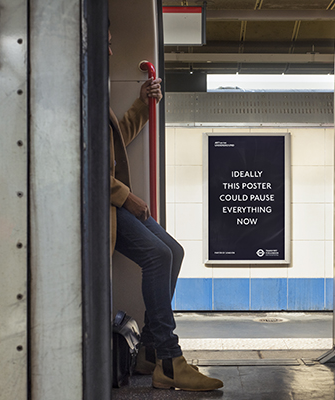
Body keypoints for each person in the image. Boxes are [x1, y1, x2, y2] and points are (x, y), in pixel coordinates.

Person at [108, 32, 223, 392]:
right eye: (106, 40)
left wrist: (142, 106)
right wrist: (125, 196)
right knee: (158, 255)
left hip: (110, 200)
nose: (111, 48)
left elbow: (111, 143)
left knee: (173, 251)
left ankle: (148, 352)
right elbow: (75, 158)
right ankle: (170, 361)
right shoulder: (73, 89)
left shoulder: (92, 89)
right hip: (104, 203)